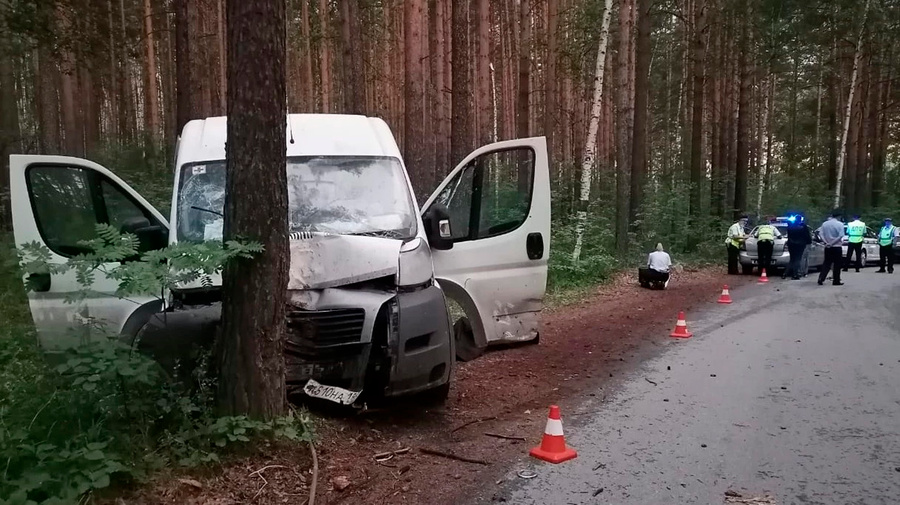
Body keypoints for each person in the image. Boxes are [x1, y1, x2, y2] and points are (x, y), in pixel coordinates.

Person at [818, 210, 845, 286]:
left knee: (826, 263)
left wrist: (826, 243)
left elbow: (821, 234)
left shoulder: (825, 224)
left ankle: (821, 278)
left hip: (827, 247)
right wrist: (832, 243)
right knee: (837, 264)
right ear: (839, 216)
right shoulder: (840, 224)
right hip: (837, 247)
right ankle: (836, 280)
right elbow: (840, 236)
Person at [784, 215, 811, 280]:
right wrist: (808, 242)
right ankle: (795, 274)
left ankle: (785, 274)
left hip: (791, 244)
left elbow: (788, 234)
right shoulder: (803, 226)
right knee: (797, 259)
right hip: (800, 244)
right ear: (800, 219)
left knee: (792, 259)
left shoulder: (790, 226)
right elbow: (807, 235)